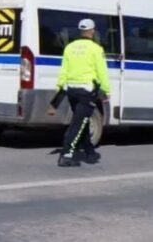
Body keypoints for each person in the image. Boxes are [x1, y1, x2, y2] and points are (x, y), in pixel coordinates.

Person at [47, 18, 110, 167]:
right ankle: (66, 154)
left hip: (71, 90)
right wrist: (106, 90)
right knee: (78, 123)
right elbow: (102, 72)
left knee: (83, 121)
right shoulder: (96, 49)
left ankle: (89, 151)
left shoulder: (69, 47)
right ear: (92, 31)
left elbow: (64, 71)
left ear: (80, 31)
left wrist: (59, 89)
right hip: (87, 90)